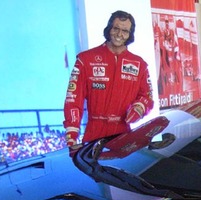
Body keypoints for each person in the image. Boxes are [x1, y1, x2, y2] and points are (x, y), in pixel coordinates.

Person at [63, 10, 154, 153]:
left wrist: (139, 109)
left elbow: (147, 97)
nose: (119, 34)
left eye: (125, 30)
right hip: (94, 131)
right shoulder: (85, 59)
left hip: (123, 132)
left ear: (130, 34)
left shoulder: (139, 64)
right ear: (109, 28)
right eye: (116, 28)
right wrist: (71, 136)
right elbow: (73, 99)